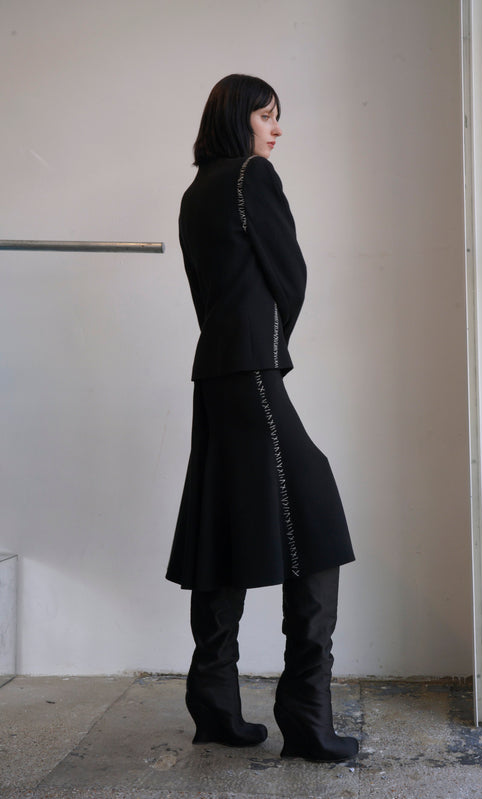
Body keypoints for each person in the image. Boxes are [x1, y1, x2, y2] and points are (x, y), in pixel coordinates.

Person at [166, 74, 358, 763]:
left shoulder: (196, 191)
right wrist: (270, 343)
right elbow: (290, 273)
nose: (276, 130)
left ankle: (214, 701)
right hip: (250, 367)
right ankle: (305, 709)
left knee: (219, 522)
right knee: (318, 516)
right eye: (266, 115)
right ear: (238, 117)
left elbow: (204, 290)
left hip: (213, 371)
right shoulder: (253, 176)